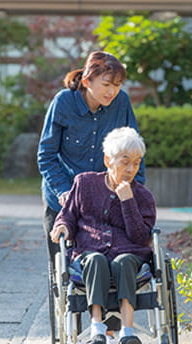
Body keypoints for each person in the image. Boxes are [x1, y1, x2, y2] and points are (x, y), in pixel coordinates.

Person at [50, 127, 156, 344]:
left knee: (124, 261)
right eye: (124, 161)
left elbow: (140, 237)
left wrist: (128, 202)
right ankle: (97, 328)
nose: (130, 169)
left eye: (136, 163)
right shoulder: (84, 183)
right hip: (90, 254)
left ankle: (127, 332)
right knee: (96, 259)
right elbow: (67, 216)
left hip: (129, 254)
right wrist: (61, 226)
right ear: (108, 160)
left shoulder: (143, 196)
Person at [37, 51, 145, 262]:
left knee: (106, 260)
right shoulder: (64, 102)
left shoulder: (121, 102)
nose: (112, 91)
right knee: (63, 269)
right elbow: (46, 155)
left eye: (118, 84)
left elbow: (133, 150)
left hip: (103, 200)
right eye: (106, 85)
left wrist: (136, 192)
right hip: (63, 197)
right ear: (87, 81)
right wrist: (64, 192)